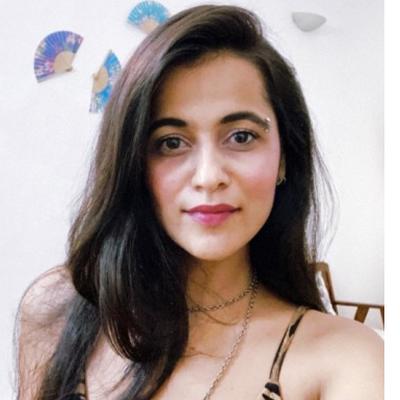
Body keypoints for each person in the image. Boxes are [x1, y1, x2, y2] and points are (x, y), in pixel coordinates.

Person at [16, 4, 383, 400]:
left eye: (241, 136)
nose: (208, 177)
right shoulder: (56, 310)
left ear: (284, 158)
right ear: (133, 162)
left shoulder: (349, 361)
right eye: (171, 142)